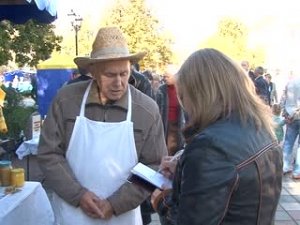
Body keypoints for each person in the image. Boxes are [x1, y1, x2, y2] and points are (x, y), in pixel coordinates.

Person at [37, 26, 167, 225]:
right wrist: (78, 195)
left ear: (131, 68)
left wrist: (116, 204)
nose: (118, 82)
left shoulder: (146, 110)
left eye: (124, 74)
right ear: (93, 72)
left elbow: (154, 165)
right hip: (72, 213)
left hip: (122, 216)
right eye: (110, 75)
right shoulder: (66, 101)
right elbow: (49, 153)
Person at [151, 48, 282, 225]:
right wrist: (184, 169)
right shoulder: (261, 126)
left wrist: (162, 200)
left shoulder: (209, 146)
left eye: (184, 96)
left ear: (200, 95)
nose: (185, 106)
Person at [156, 64, 185, 156]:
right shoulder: (161, 90)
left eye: (167, 76)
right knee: (166, 150)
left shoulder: (183, 90)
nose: (164, 78)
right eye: (164, 76)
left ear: (175, 76)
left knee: (178, 149)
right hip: (165, 124)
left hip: (180, 124)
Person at [281, 75, 300, 179]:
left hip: (291, 115)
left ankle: (284, 166)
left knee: (288, 143)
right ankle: (297, 171)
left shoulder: (291, 81)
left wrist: (284, 112)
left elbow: (284, 97)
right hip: (296, 114)